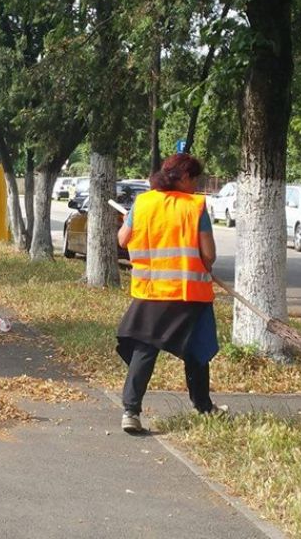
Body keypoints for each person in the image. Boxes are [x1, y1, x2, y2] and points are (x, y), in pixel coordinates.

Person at [116, 154, 220, 433]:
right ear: (184, 177)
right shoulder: (195, 207)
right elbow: (209, 254)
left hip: (150, 292)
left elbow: (123, 239)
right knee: (197, 350)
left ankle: (131, 411)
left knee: (145, 349)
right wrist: (202, 262)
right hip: (188, 294)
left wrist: (131, 220)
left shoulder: (144, 203)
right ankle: (204, 406)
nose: (196, 184)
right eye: (195, 178)